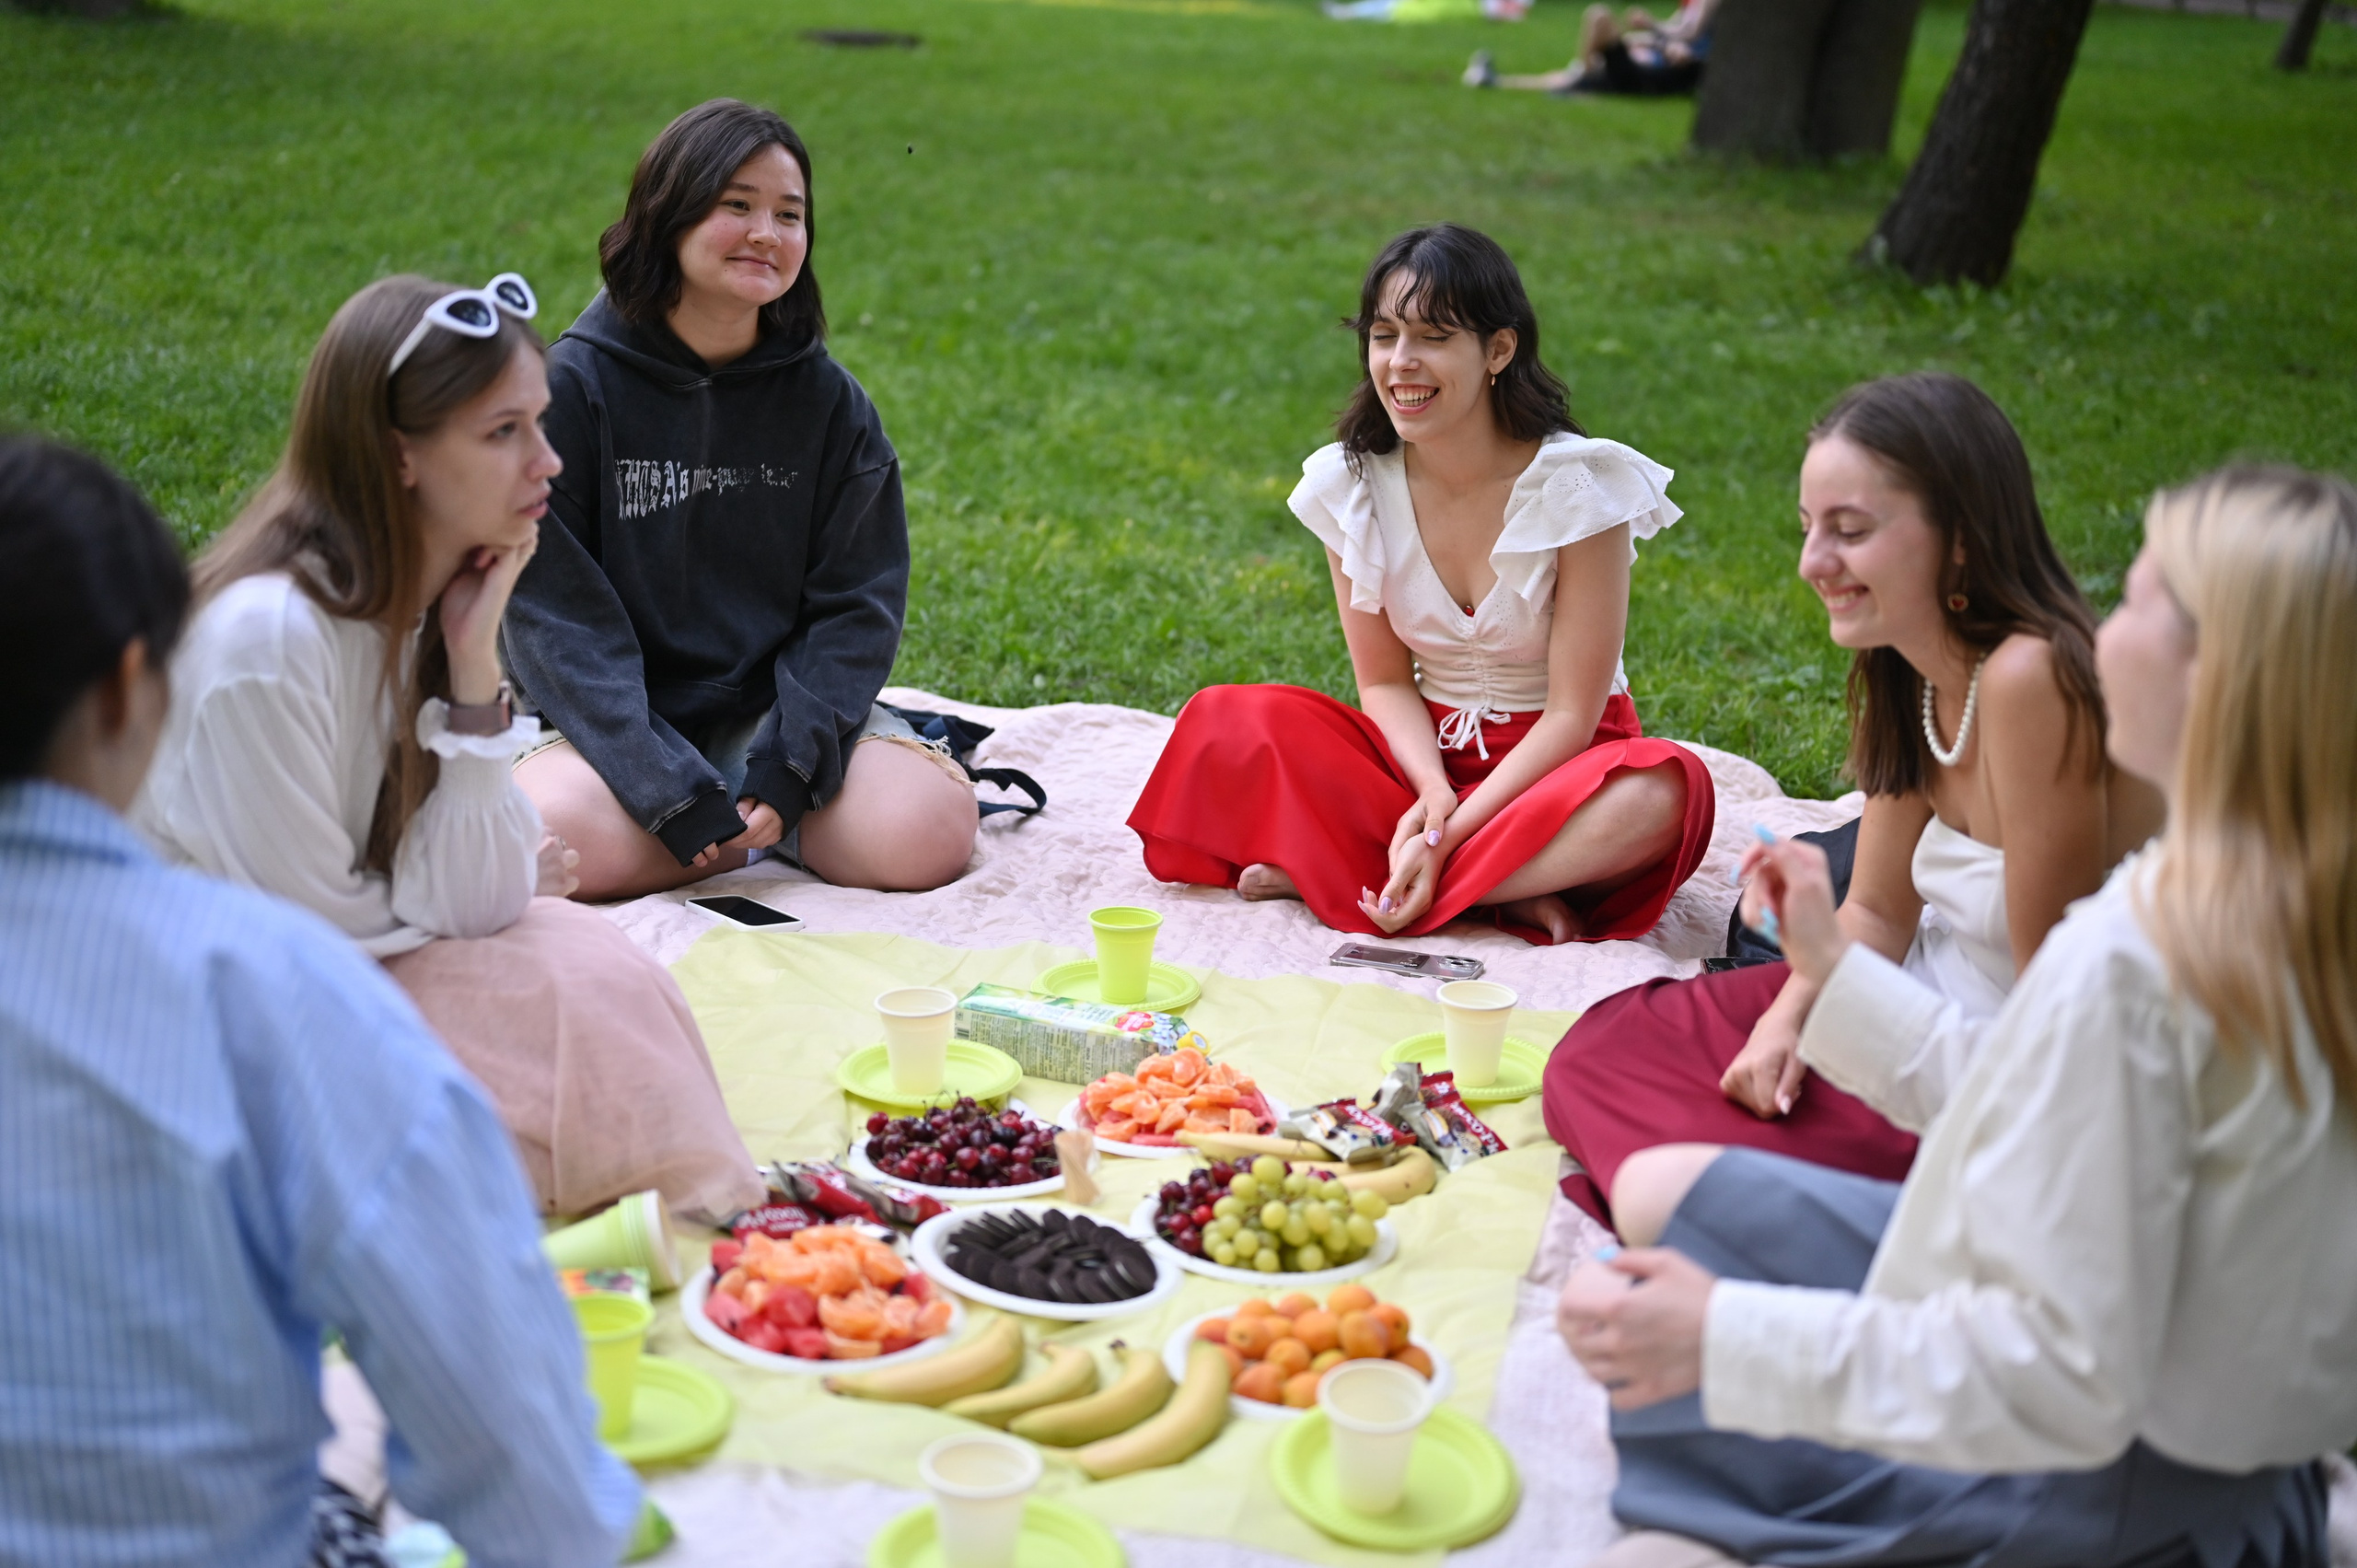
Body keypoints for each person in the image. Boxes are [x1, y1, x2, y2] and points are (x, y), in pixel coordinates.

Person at [1554, 464, 2357, 1568]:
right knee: (1667, 1190)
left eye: (2136, 596)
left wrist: (1727, 1338)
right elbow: (2028, 1098)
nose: (2100, 617)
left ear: (2218, 681)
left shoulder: (2154, 960)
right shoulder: (2231, 888)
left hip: (2107, 1496)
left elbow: (2061, 1375)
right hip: (2124, 1395)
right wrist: (1828, 970)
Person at [0, 436, 643, 1566]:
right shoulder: (271, 994)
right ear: (126, 691)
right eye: (504, 430)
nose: (540, 459)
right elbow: (525, 1480)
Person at [134, 273, 762, 1222]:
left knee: (584, 954)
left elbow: (474, 886)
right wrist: (493, 883)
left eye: (539, 423)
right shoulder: (266, 644)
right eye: (502, 432)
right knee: (553, 981)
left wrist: (473, 667)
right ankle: (686, 1219)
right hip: (208, 1024)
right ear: (401, 458)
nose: (547, 462)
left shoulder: (425, 607)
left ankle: (710, 1217)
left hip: (341, 956)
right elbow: (324, 933)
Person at [1542, 373, 2162, 1228]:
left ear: (1960, 538)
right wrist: (1790, 1018)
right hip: (1911, 994)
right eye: (1808, 530)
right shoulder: (1908, 662)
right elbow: (1873, 909)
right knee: (1597, 1055)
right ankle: (1724, 1199)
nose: (1812, 565)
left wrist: (1860, 1030)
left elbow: (2049, 996)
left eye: (1851, 531)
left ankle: (1754, 1207)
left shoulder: (2031, 679)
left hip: (1999, 1072)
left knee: (1684, 1151)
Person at [1128, 224, 1714, 946]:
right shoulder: (1351, 484)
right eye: (1384, 335)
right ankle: (1488, 885)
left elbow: (1571, 716)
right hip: (1418, 768)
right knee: (1227, 719)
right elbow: (1382, 684)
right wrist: (1434, 797)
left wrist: (1442, 839)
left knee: (1668, 789)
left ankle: (1383, 877)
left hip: (1558, 773)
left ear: (1499, 349)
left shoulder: (1579, 486)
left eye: (1433, 337)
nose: (1401, 363)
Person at [503, 99, 978, 902]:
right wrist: (665, 790)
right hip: (610, 732)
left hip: (774, 723)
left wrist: (793, 763)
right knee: (545, 838)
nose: (767, 232)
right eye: (737, 205)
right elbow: (554, 622)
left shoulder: (830, 405)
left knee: (924, 830)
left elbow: (857, 605)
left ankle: (742, 827)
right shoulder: (569, 390)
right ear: (668, 213)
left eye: (789, 215)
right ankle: (717, 835)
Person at [1465, 0, 1717, 95]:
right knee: (1568, 77)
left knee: (1599, 17)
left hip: (1665, 68)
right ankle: (1494, 81)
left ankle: (1583, 72)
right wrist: (1646, 35)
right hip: (1655, 58)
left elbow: (1689, 35)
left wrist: (1651, 28)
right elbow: (1677, 30)